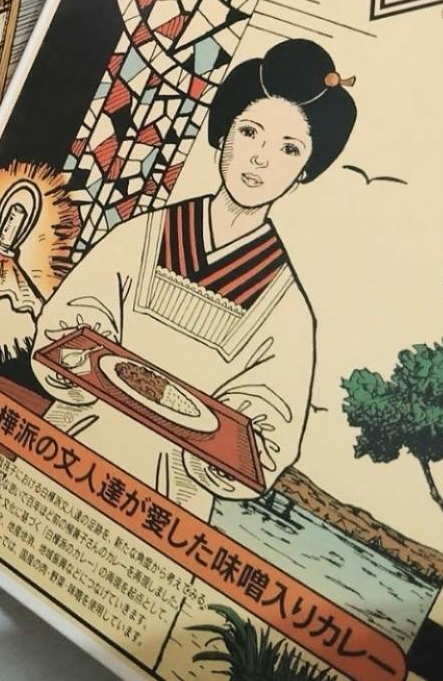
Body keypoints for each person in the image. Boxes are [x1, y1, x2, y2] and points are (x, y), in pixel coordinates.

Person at [30, 38, 356, 519]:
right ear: (222, 134)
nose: (261, 159)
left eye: (289, 149)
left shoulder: (285, 307)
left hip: (169, 497)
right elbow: (68, 323)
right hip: (72, 444)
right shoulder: (145, 235)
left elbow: (269, 434)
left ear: (306, 171)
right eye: (250, 132)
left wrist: (214, 439)